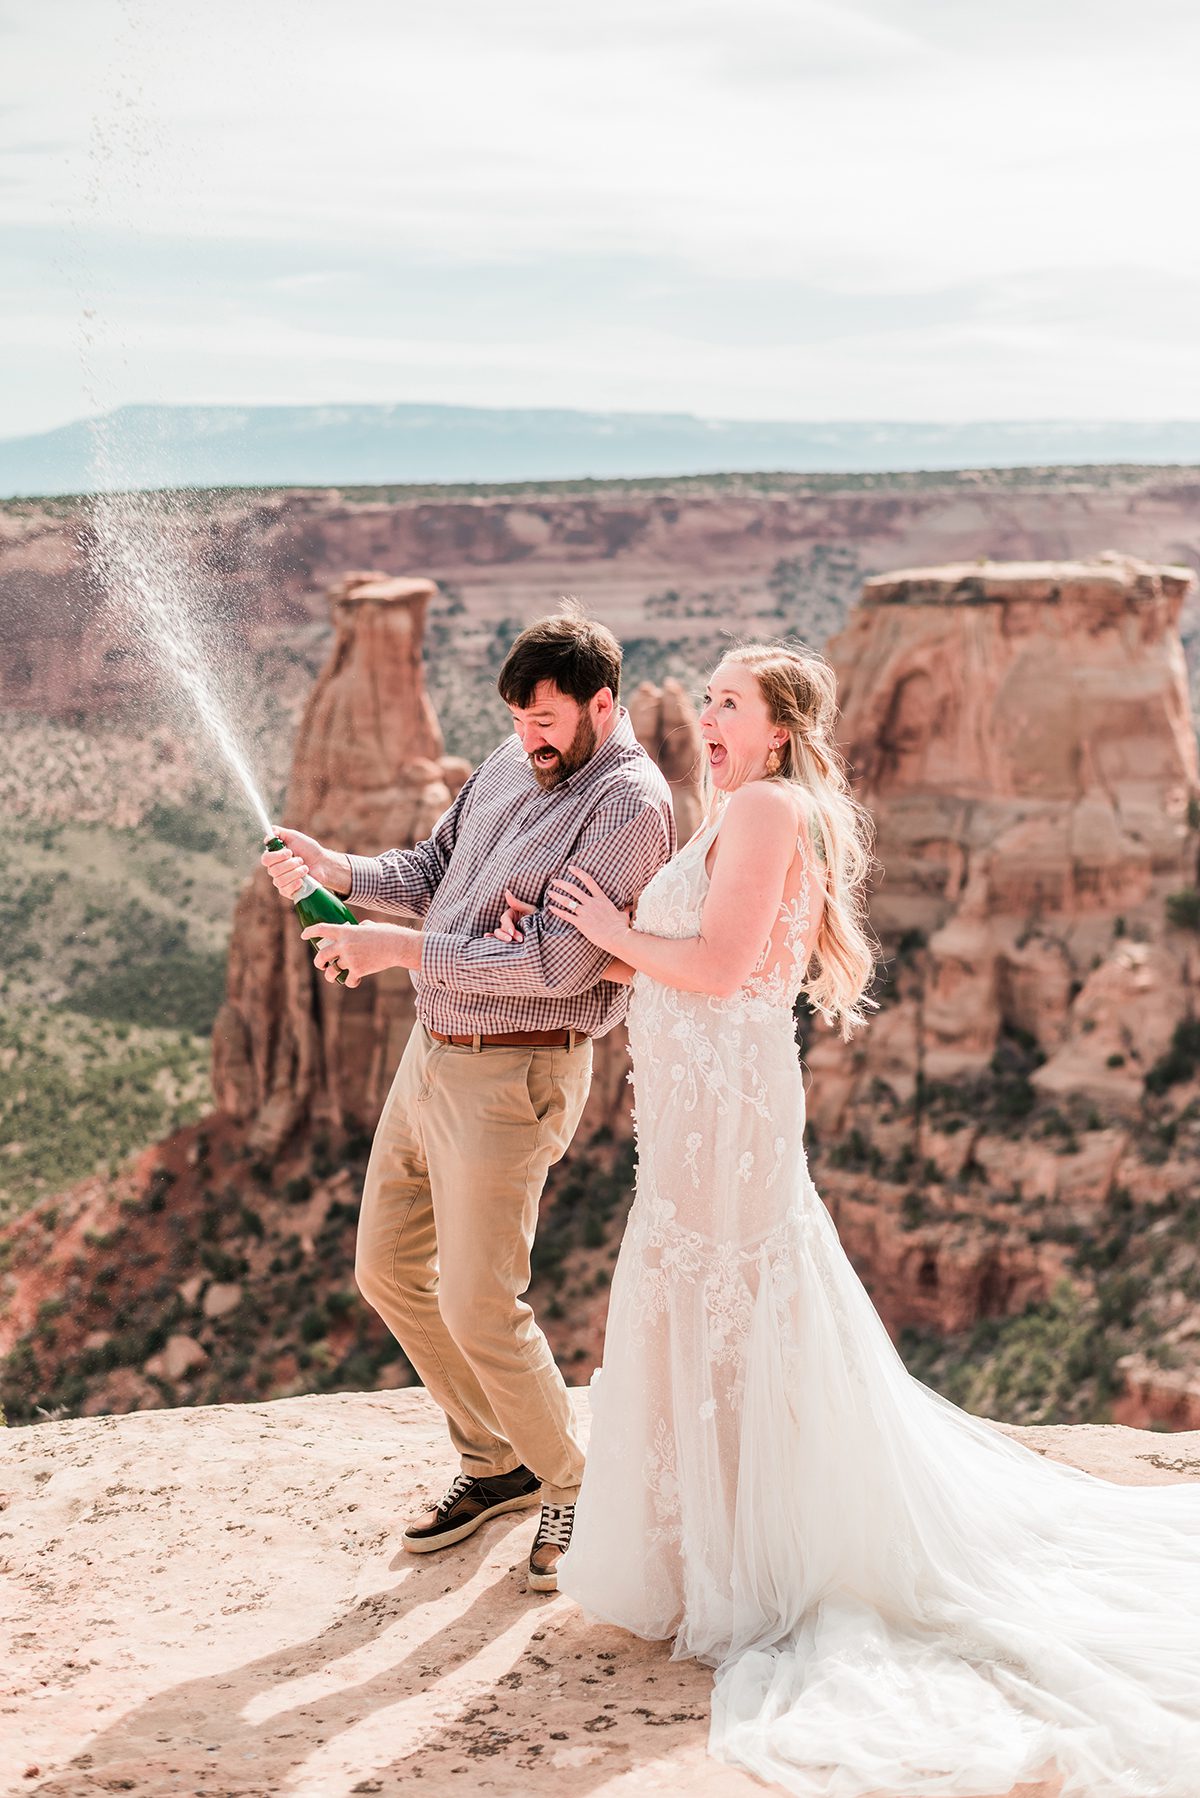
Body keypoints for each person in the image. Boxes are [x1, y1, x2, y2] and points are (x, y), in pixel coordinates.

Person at [525, 641, 1200, 1796]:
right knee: (707, 1299)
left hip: (728, 1124)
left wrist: (610, 925)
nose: (710, 719)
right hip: (694, 1121)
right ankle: (709, 1555)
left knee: (732, 1298)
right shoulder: (745, 806)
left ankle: (752, 1564)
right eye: (711, 703)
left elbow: (728, 963)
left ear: (779, 727)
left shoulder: (772, 808)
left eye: (729, 703)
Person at [261, 608, 674, 1591]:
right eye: (520, 716)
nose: (530, 734)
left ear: (601, 703)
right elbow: (436, 868)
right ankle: (498, 1463)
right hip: (432, 1053)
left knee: (482, 1302)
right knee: (389, 1269)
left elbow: (556, 965)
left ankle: (579, 1483)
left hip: (515, 1069)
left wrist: (396, 948)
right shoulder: (512, 759)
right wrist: (341, 872)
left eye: (546, 717)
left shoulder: (630, 807)